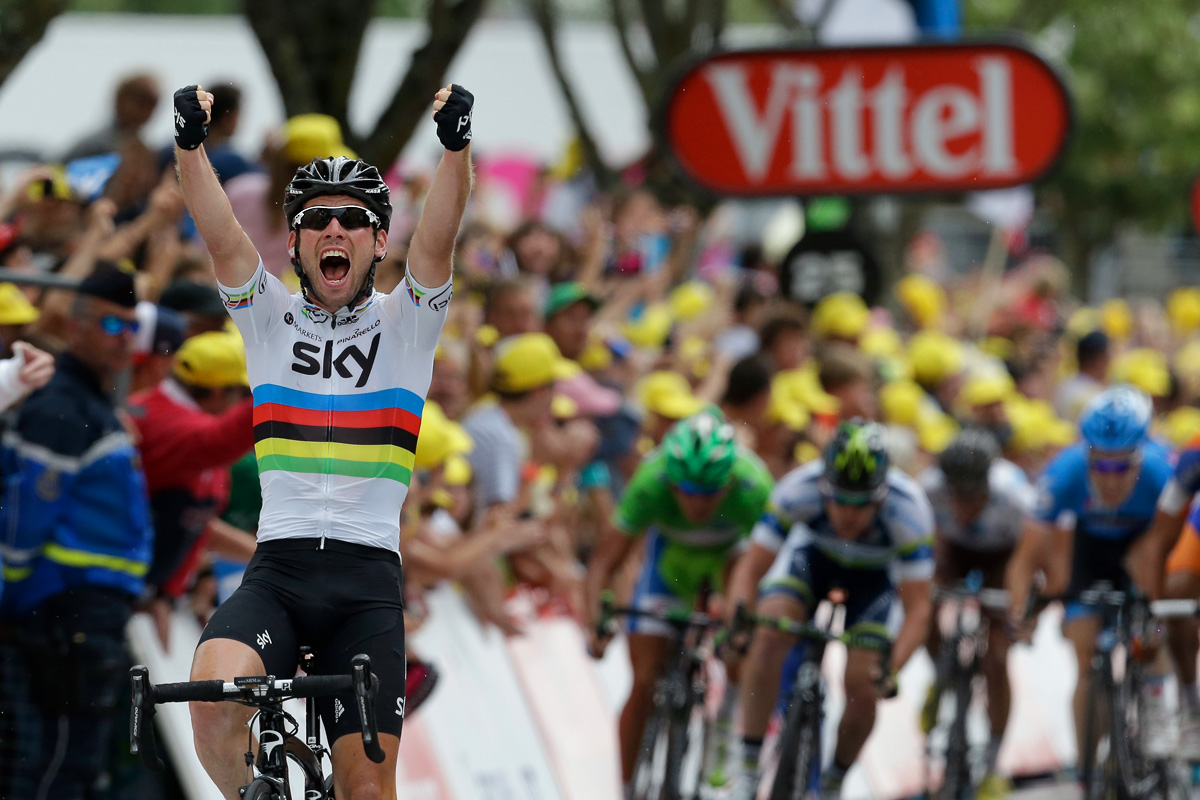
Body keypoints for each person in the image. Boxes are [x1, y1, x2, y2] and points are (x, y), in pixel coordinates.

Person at [172, 80, 473, 800]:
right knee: (212, 696)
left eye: (352, 220)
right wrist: (189, 148)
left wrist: (456, 150)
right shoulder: (266, 318)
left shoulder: (409, 323)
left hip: (366, 587)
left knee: (368, 791)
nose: (334, 230)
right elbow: (220, 234)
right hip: (278, 572)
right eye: (317, 221)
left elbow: (439, 235)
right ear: (297, 241)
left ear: (376, 240)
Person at [0, 262, 153, 799]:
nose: (126, 339)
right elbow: (23, 517)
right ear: (74, 326)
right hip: (63, 613)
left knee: (73, 766)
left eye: (133, 326)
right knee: (55, 766)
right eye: (112, 325)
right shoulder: (62, 405)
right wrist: (11, 591)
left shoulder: (92, 402)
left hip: (87, 614)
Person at [730, 419, 934, 800]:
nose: (848, 514)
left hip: (874, 582)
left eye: (862, 504)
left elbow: (919, 609)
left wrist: (890, 670)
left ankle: (834, 781)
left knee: (863, 681)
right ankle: (747, 766)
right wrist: (739, 624)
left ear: (882, 495)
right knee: (770, 632)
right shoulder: (797, 489)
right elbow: (751, 570)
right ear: (823, 488)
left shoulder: (910, 510)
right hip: (812, 563)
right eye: (838, 499)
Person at [584, 410, 774, 795]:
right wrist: (597, 622)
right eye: (685, 490)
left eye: (709, 492)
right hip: (668, 569)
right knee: (643, 681)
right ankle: (625, 787)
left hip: (729, 565)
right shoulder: (652, 480)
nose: (696, 503)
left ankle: (726, 716)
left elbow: (768, 571)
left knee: (741, 641)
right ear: (670, 480)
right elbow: (604, 563)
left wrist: (745, 624)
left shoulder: (753, 485)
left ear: (730, 480)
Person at [1009, 386, 1173, 771]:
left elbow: (1175, 551)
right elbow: (1024, 559)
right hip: (1091, 551)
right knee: (1084, 658)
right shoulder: (1063, 473)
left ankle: (1162, 738)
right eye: (1100, 465)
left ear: (1142, 455)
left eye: (1121, 466)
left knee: (1150, 642)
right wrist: (1021, 611)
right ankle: (1086, 771)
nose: (1110, 478)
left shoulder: (1161, 471)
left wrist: (1158, 614)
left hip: (1145, 546)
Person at [918, 429, 1040, 800]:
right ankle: (940, 675)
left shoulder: (1017, 497)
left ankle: (993, 761)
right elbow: (920, 548)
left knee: (998, 657)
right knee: (923, 607)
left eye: (971, 495)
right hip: (954, 549)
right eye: (954, 494)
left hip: (1005, 558)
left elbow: (1031, 558)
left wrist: (1023, 611)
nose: (961, 505)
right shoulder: (928, 488)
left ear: (988, 483)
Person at [128, 330, 256, 646]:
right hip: (115, 588)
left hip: (147, 594)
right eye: (241, 394)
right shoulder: (160, 420)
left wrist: (167, 593)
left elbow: (196, 523)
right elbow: (221, 440)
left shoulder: (193, 423)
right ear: (217, 392)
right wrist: (279, 387)